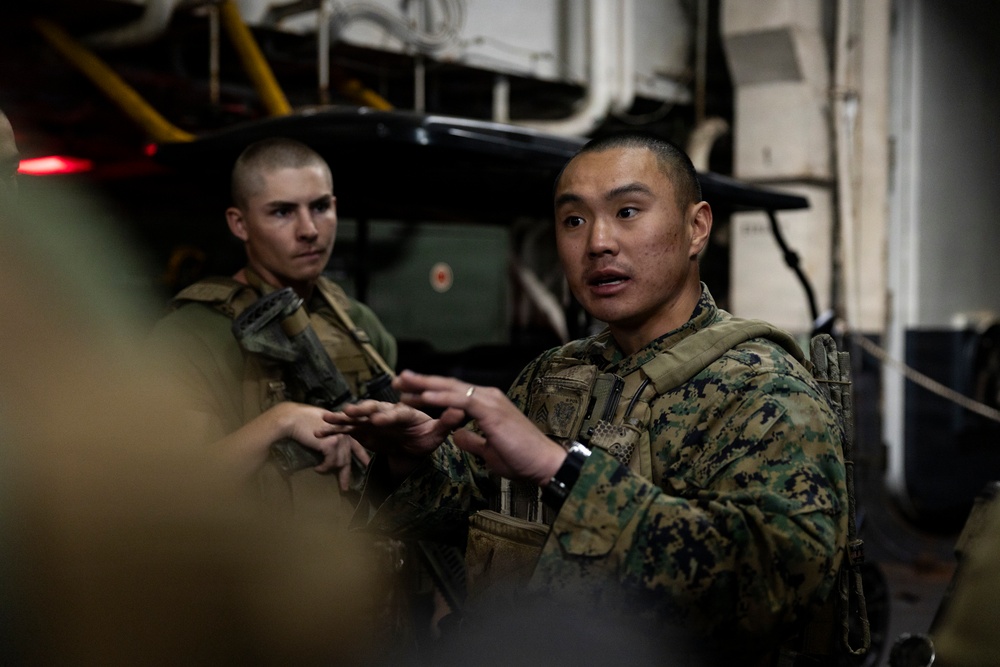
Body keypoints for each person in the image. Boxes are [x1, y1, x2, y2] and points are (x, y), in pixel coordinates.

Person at [331, 132, 849, 664]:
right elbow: (486, 508)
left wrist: (565, 471)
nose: (598, 241)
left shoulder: (763, 390)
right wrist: (414, 462)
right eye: (574, 220)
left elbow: (778, 584)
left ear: (696, 228)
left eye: (627, 211)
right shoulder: (555, 375)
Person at [148, 136, 397, 524]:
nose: (309, 229)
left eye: (319, 207)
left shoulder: (359, 324)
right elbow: (169, 493)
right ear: (240, 223)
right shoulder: (191, 336)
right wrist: (280, 420)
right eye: (282, 212)